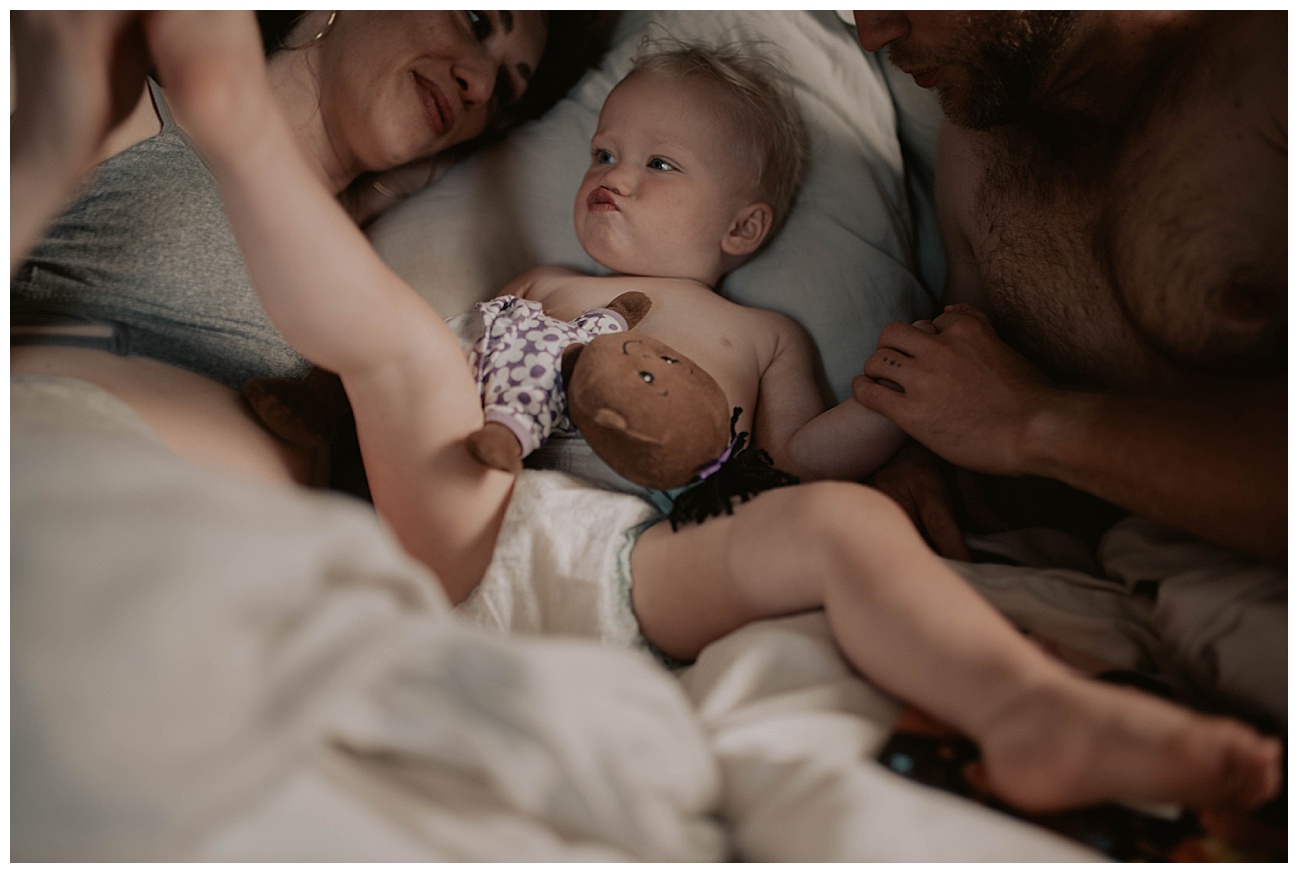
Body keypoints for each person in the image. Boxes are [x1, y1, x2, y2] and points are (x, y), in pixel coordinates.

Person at [147, 10, 1281, 815]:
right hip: (491, 517)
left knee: (839, 534)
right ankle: (240, 142)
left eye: (657, 163)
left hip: (633, 567)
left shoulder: (763, 338)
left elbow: (808, 451)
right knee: (396, 364)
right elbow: (461, 372)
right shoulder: (548, 286)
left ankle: (1025, 708)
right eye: (601, 151)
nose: (612, 176)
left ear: (742, 229)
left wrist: (897, 408)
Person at [11, 10, 602, 487]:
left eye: (503, 92)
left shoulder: (371, 293)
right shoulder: (127, 106)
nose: (479, 86)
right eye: (475, 22)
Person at [848, 12, 1285, 563]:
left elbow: (1004, 413)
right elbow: (965, 393)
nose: (872, 33)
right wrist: (917, 464)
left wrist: (1039, 424)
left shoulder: (1273, 67)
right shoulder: (979, 147)